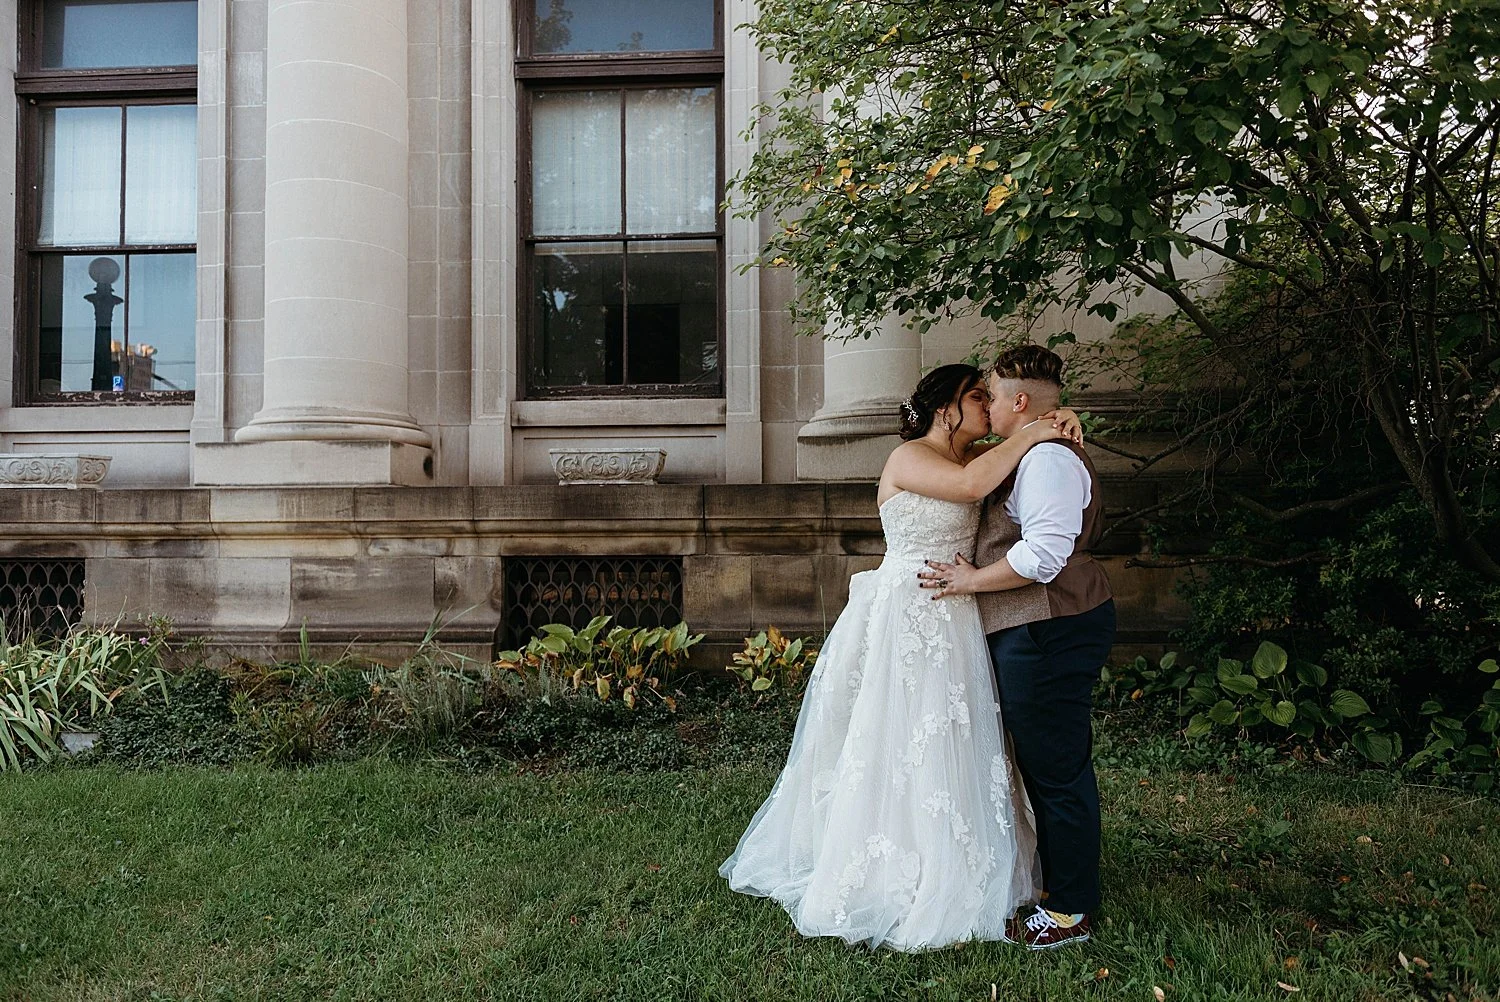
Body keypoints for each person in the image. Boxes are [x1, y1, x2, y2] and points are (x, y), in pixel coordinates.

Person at [718, 362, 1081, 951]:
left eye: (991, 398)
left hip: (956, 613)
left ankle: (962, 855)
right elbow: (970, 491)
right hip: (903, 613)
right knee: (894, 737)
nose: (989, 406)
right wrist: (1033, 432)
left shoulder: (978, 455)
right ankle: (891, 864)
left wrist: (1059, 417)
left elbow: (1000, 465)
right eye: (977, 397)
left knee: (952, 739)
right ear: (946, 409)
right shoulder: (910, 457)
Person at [918, 344, 1115, 949]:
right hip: (1035, 628)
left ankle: (1072, 910)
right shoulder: (1028, 451)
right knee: (1044, 764)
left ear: (1019, 401)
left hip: (1049, 628)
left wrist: (970, 581)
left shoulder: (1048, 461)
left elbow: (1044, 555)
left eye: (994, 393)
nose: (989, 402)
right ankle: (1059, 887)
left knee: (1057, 770)